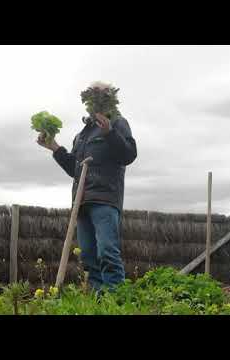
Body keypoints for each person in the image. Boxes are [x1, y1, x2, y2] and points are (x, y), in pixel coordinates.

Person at [37, 81, 137, 293]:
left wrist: (110, 132)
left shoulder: (118, 123)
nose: (94, 97)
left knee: (107, 251)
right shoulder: (82, 135)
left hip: (105, 198)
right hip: (81, 202)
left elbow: (128, 155)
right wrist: (54, 147)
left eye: (99, 92)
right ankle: (98, 299)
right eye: (91, 93)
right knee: (89, 255)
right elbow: (75, 169)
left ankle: (116, 299)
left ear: (109, 96)